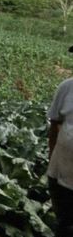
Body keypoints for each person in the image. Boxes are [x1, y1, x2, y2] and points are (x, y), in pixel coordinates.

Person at [47, 46, 73, 237]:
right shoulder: (66, 87)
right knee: (64, 222)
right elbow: (54, 124)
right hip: (61, 170)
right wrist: (51, 158)